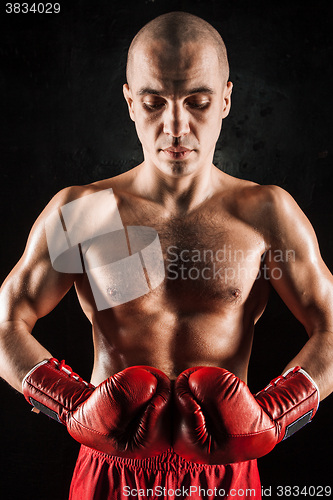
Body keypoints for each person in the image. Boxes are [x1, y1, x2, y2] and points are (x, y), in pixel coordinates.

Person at [1, 10, 333, 500]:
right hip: (108, 467)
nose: (175, 125)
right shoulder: (86, 212)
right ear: (130, 102)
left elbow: (331, 325)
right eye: (154, 102)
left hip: (226, 469)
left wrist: (275, 416)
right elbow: (6, 321)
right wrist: (70, 405)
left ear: (225, 100)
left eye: (197, 101)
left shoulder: (267, 213)